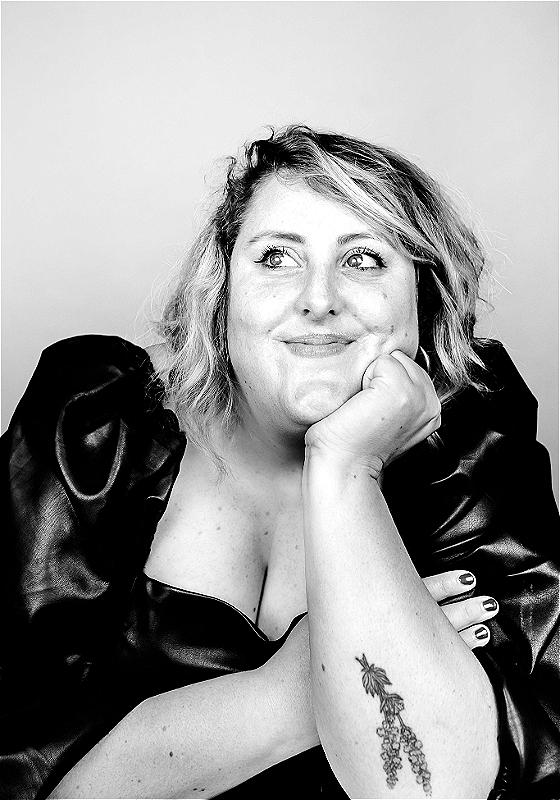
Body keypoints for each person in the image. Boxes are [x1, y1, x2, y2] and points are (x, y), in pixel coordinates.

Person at [1, 125, 558, 800]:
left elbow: (431, 790)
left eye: (364, 260)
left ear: (423, 298)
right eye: (276, 258)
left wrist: (345, 466)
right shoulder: (90, 434)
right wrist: (295, 693)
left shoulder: (473, 452)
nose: (319, 298)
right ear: (223, 294)